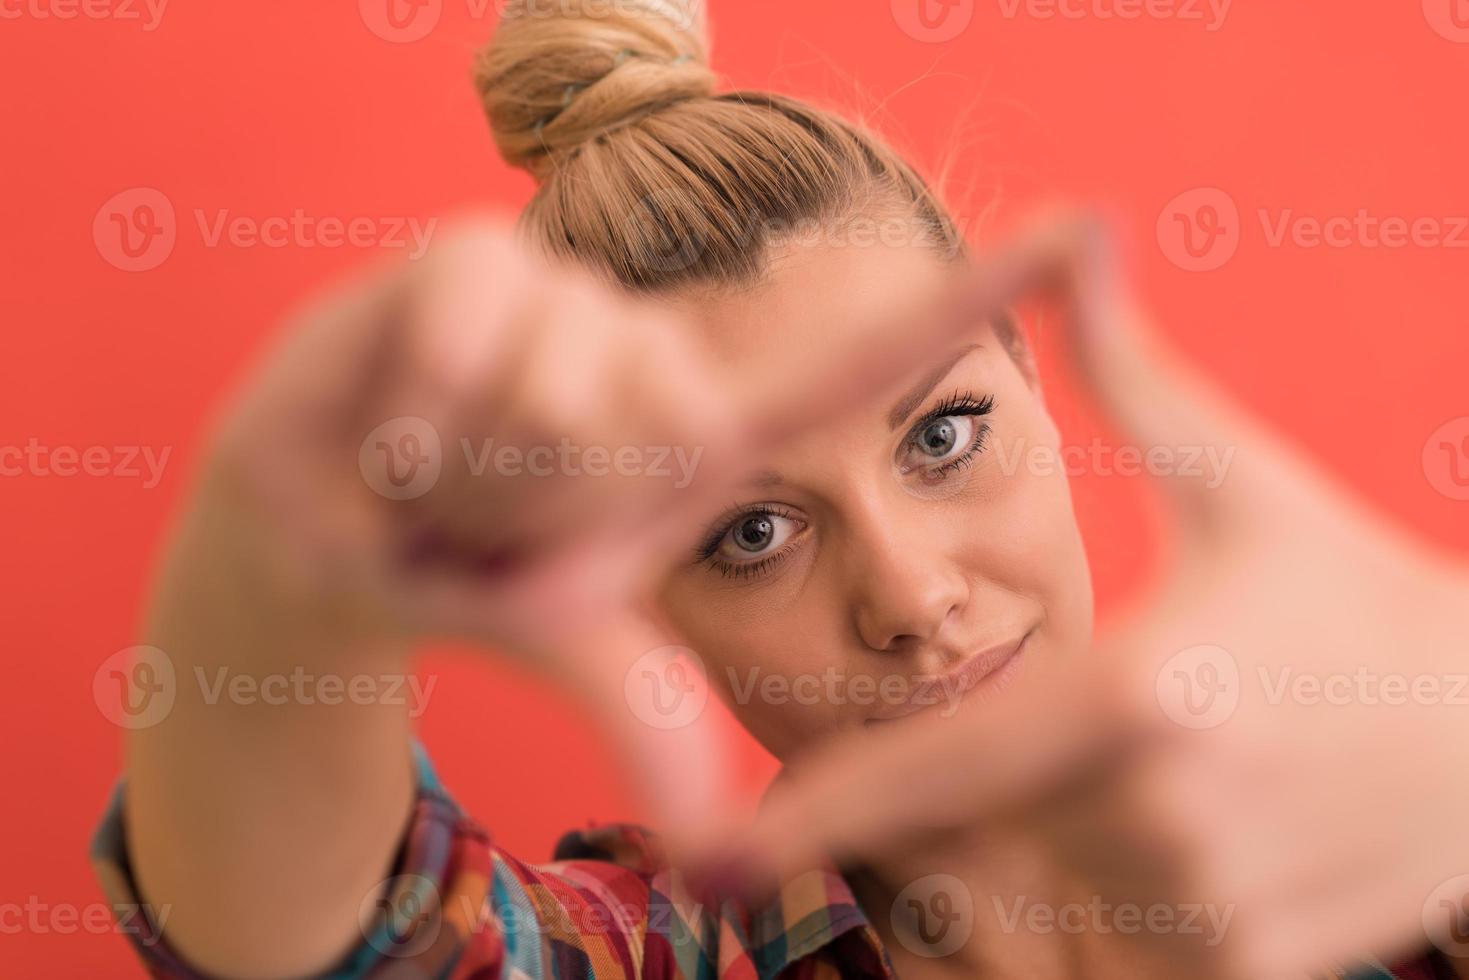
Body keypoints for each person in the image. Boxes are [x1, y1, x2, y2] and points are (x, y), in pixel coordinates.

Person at [93, 1, 1469, 977]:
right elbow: (332, 948)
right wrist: (259, 572)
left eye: (942, 435)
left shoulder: (1409, 848)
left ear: (1035, 391)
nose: (910, 594)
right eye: (750, 532)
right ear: (644, 600)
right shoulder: (672, 956)